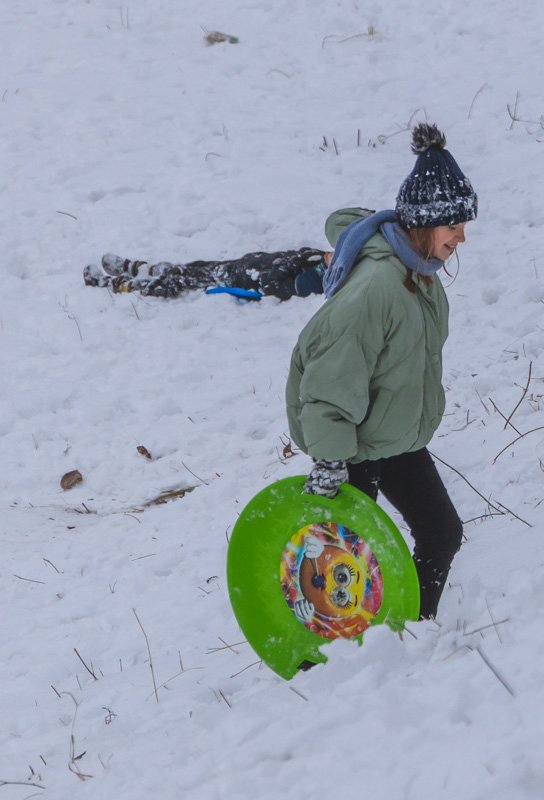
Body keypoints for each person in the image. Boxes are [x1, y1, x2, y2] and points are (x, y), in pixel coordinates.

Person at [285, 122, 474, 621]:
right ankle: (323, 655)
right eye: (453, 224)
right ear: (424, 222)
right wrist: (330, 461)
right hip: (353, 448)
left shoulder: (420, 274)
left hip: (395, 438)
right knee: (341, 564)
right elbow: (328, 381)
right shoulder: (377, 288)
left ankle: (414, 626)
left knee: (441, 533)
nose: (462, 236)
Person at [83, 248, 327, 300]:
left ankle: (114, 283)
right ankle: (138, 268)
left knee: (174, 283)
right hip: (237, 264)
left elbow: (271, 285)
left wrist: (294, 261)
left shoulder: (311, 283)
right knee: (187, 268)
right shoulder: (319, 260)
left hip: (233, 279)